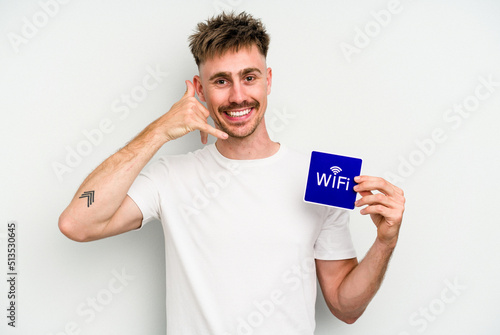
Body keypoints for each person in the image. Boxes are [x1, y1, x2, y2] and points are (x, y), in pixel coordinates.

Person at [59, 11, 405, 334]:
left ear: (267, 80)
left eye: (249, 77)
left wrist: (385, 242)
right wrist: (160, 130)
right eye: (221, 81)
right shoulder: (170, 177)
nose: (238, 96)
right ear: (199, 89)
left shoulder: (321, 176)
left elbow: (346, 308)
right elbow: (78, 222)